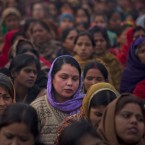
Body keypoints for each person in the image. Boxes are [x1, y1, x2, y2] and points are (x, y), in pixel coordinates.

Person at [31, 55, 84, 145]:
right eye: (64, 77)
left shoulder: (85, 106)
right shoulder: (37, 108)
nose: (70, 83)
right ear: (52, 78)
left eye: (75, 79)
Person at [55, 82, 119, 145]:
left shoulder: (121, 130)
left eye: (109, 114)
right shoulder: (70, 128)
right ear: (87, 110)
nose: (103, 120)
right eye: (98, 114)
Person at [89, 26, 122, 90]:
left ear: (106, 42)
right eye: (95, 41)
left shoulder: (113, 61)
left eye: (101, 40)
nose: (99, 44)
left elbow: (118, 84)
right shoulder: (85, 60)